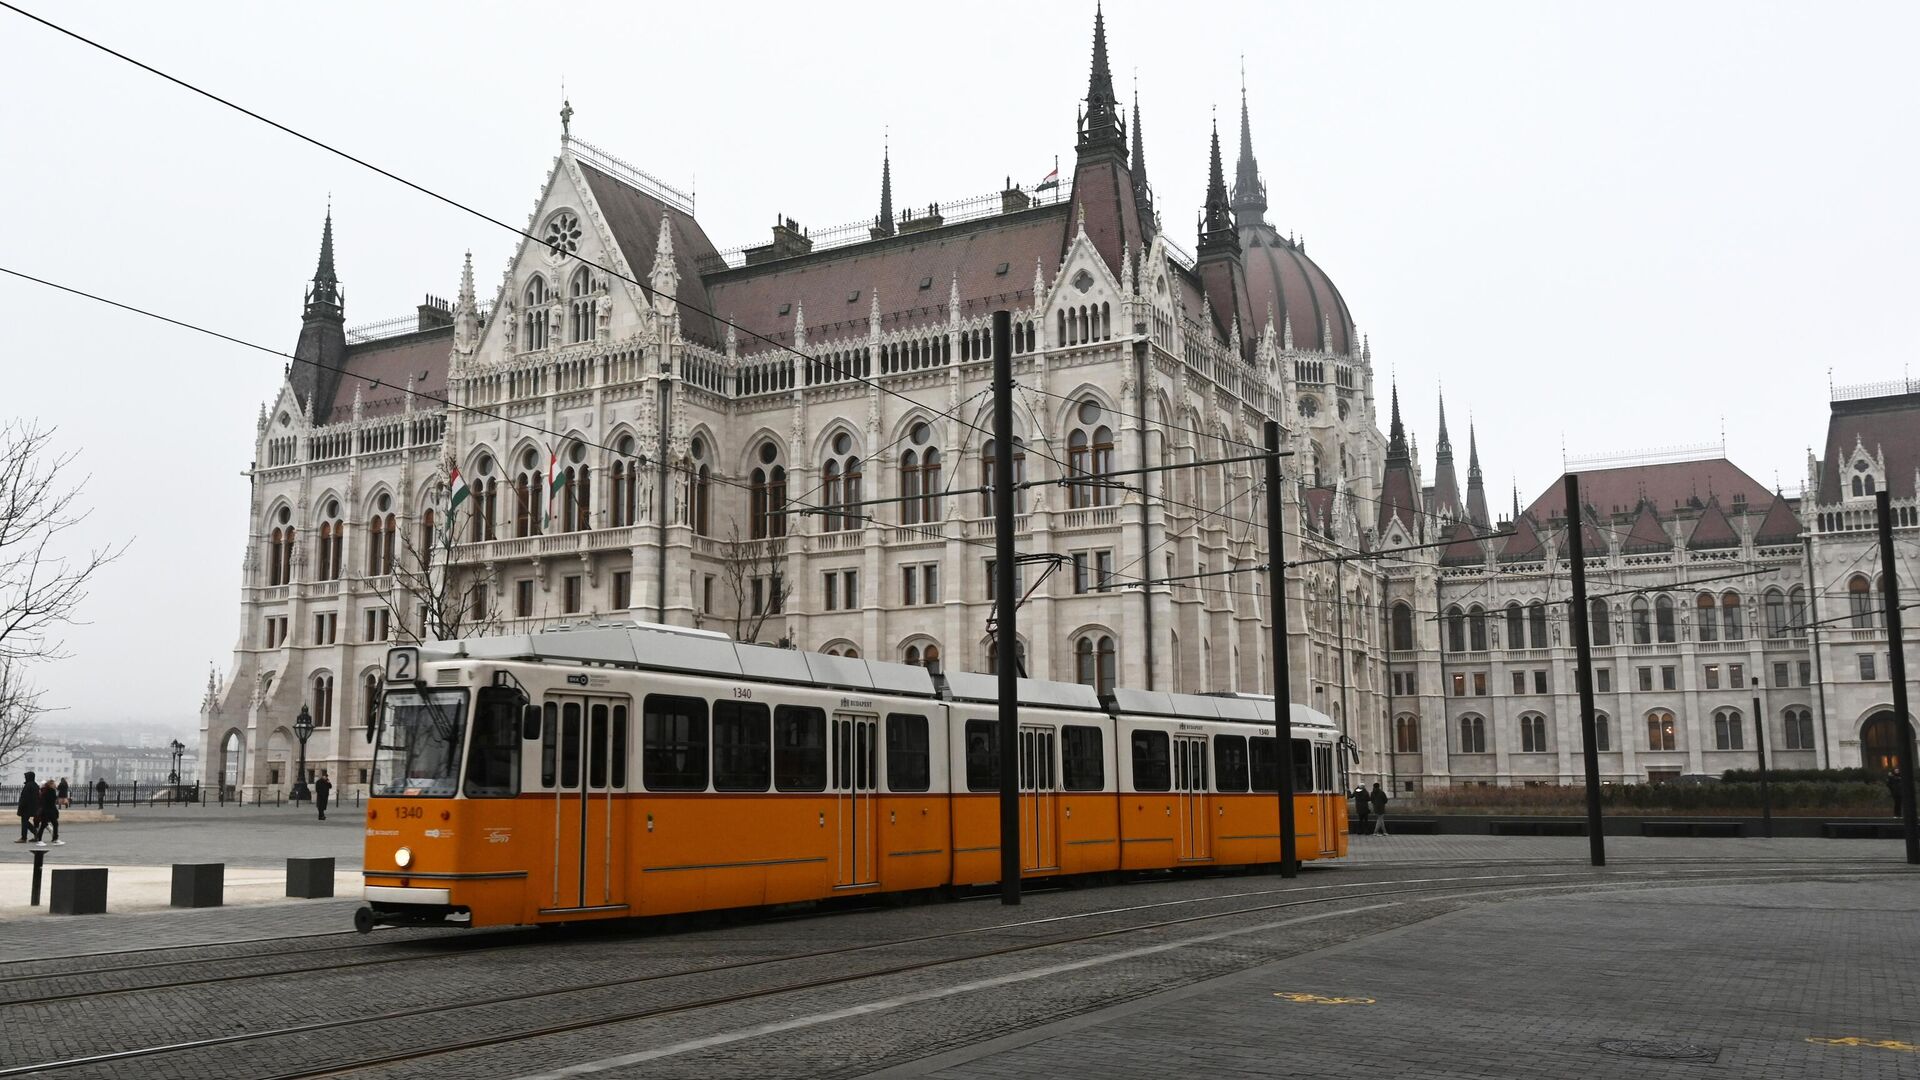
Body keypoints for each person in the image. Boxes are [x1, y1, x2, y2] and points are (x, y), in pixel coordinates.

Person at [35, 780, 61, 845]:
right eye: (54, 784)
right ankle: (40, 839)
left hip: (48, 811)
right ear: (50, 785)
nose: (55, 785)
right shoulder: (50, 791)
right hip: (48, 811)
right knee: (44, 825)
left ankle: (54, 839)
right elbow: (50, 803)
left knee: (53, 824)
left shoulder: (46, 791)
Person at [14, 771, 35, 843]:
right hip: (32, 807)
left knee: (24, 822)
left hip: (26, 808)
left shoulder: (28, 786)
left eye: (26, 777)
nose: (25, 778)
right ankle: (37, 834)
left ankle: (24, 837)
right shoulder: (35, 785)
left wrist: (21, 806)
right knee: (26, 822)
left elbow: (24, 798)